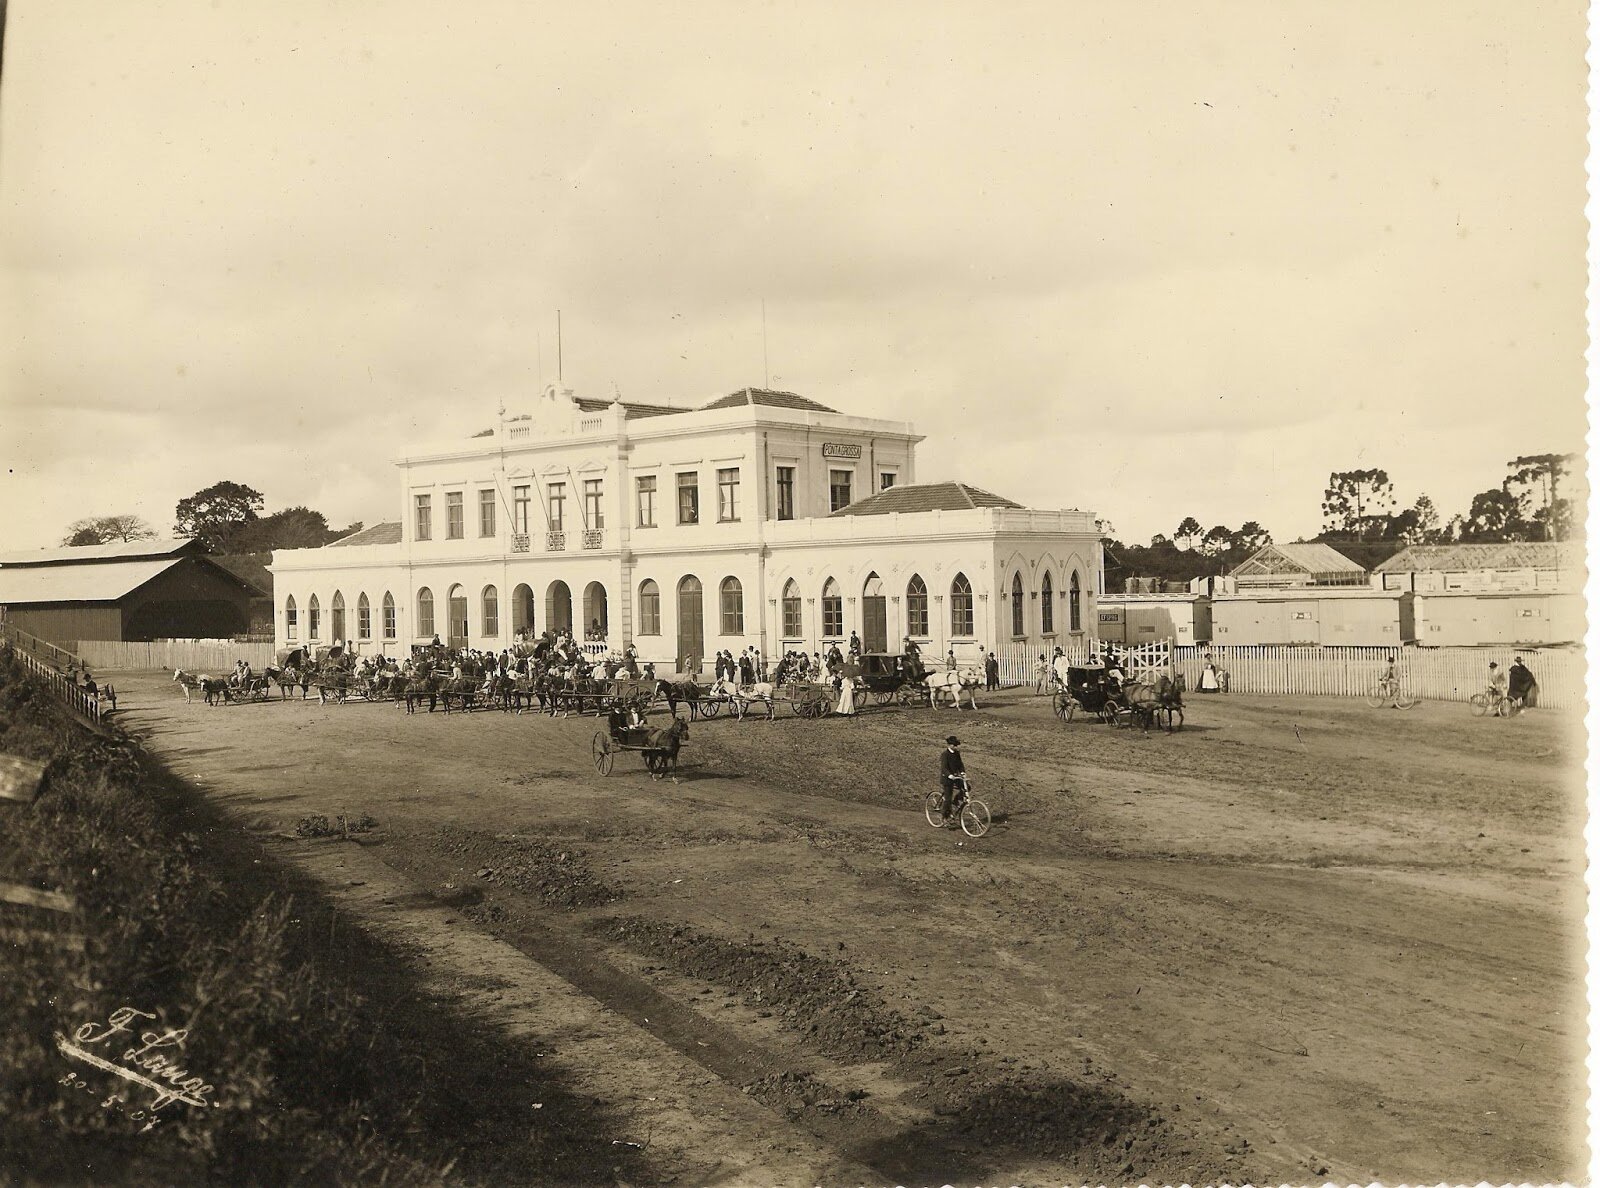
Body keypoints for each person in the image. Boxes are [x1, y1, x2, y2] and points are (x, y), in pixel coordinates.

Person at [939, 736, 966, 825]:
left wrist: (962, 772)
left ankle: (956, 799)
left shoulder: (957, 753)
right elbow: (944, 768)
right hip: (947, 779)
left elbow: (960, 764)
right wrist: (949, 775)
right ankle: (944, 817)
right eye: (954, 745)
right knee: (948, 799)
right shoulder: (945, 755)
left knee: (967, 788)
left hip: (955, 777)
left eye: (956, 745)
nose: (956, 747)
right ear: (949, 745)